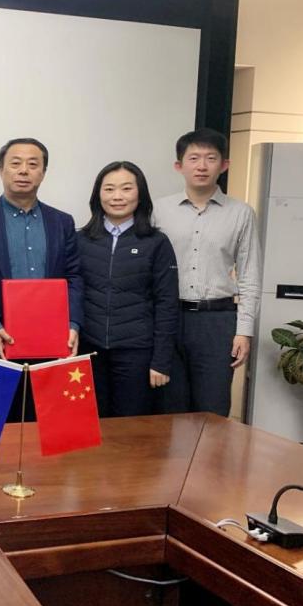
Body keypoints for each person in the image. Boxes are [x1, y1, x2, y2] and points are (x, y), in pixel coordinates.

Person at [0, 137, 83, 421]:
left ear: (43, 173)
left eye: (33, 164)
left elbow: (74, 276)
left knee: (49, 425)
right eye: (15, 163)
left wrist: (72, 324)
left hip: (53, 342)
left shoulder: (62, 222)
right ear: (1, 170)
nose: (24, 170)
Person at [155, 128, 262, 416]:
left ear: (224, 165)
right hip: (168, 319)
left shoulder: (241, 213)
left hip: (217, 321)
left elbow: (250, 277)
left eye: (210, 158)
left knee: (212, 409)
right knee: (169, 408)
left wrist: (244, 332)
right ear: (179, 165)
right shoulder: (159, 211)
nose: (201, 166)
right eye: (193, 158)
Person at [76, 161, 178, 417]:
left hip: (136, 353)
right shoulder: (80, 240)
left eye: (126, 188)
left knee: (130, 429)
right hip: (88, 351)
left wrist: (161, 361)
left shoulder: (156, 242)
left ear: (140, 194)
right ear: (98, 195)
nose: (117, 196)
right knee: (89, 425)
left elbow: (167, 303)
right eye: (109, 189)